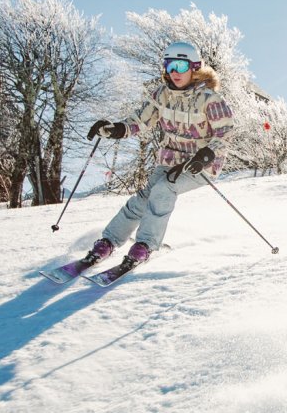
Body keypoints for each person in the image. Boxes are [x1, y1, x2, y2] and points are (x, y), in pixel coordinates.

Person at [83, 41, 234, 268]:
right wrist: (115, 129)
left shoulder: (210, 99)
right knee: (144, 198)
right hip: (170, 161)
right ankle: (107, 242)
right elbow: (139, 121)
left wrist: (207, 154)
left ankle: (144, 246)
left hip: (199, 164)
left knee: (164, 189)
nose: (175, 72)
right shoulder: (161, 95)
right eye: (170, 65)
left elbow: (226, 131)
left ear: (194, 67)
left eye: (181, 66)